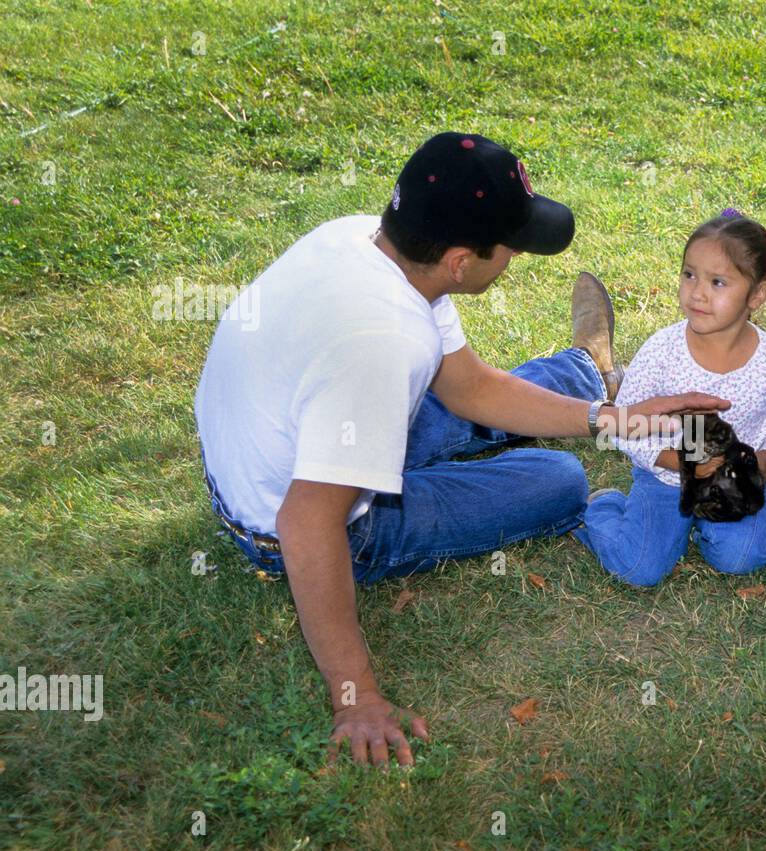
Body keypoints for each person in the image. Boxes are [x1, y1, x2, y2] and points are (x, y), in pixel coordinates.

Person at [194, 132, 727, 766]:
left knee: (482, 403)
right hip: (278, 515)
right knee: (558, 481)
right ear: (460, 263)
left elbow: (469, 387)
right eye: (510, 246)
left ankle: (591, 374)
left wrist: (615, 422)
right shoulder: (384, 345)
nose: (514, 257)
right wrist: (356, 697)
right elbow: (308, 524)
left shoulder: (361, 237)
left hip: (277, 436)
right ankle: (587, 376)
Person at [575, 210, 766, 586]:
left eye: (718, 282)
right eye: (689, 275)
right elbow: (624, 424)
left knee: (742, 559)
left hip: (736, 484)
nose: (697, 292)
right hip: (663, 480)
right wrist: (679, 463)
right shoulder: (661, 351)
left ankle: (704, 530)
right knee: (639, 568)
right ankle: (604, 506)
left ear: (758, 294)